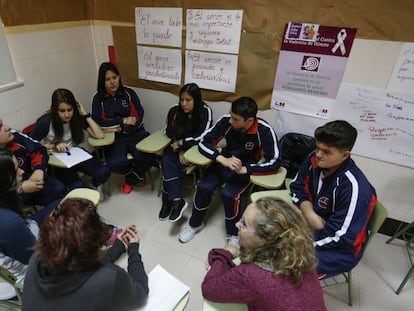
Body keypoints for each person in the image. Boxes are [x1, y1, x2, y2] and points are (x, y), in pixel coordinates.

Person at [178, 96, 281, 246]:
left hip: (244, 167)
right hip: (224, 160)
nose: (231, 121)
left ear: (249, 121)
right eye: (231, 116)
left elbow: (275, 162)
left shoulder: (264, 131)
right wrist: (221, 159)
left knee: (229, 195)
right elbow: (204, 142)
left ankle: (233, 234)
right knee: (203, 187)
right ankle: (194, 224)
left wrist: (247, 169)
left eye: (236, 119)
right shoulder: (227, 121)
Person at [22, 198, 149, 311]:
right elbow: (140, 295)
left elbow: (81, 272)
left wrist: (118, 247)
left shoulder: (37, 258)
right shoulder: (109, 278)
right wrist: (133, 250)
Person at [202, 197, 326, 311]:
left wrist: (225, 253)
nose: (237, 225)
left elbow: (208, 288)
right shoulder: (301, 253)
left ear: (264, 238)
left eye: (243, 224)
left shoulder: (251, 275)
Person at [290, 120, 377, 279]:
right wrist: (308, 211)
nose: (318, 154)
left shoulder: (355, 188)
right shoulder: (315, 159)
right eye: (317, 148)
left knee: (284, 266)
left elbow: (342, 237)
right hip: (314, 225)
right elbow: (297, 186)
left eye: (326, 151)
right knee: (269, 235)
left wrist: (297, 243)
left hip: (339, 251)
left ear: (345, 155)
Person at [30, 88, 111, 196]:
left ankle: (95, 184)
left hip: (74, 153)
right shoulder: (45, 121)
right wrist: (54, 145)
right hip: (57, 161)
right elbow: (30, 146)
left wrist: (85, 114)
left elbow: (99, 135)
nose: (67, 114)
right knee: (78, 186)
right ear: (55, 110)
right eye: (62, 111)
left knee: (104, 171)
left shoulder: (75, 117)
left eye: (70, 109)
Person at [91, 62, 155, 194]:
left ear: (119, 77)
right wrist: (122, 121)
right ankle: (136, 173)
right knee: (115, 163)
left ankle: (131, 179)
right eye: (108, 79)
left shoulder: (129, 93)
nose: (112, 82)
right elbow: (99, 122)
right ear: (102, 82)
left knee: (149, 154)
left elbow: (138, 115)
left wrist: (119, 127)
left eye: (115, 77)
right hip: (115, 138)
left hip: (135, 133)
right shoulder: (98, 99)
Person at [159, 83, 213, 222]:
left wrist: (183, 145)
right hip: (176, 147)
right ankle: (176, 200)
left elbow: (203, 137)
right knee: (166, 161)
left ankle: (169, 201)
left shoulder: (205, 111)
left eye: (188, 100)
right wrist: (179, 150)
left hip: (195, 149)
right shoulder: (175, 111)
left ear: (196, 99)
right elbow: (169, 132)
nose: (184, 104)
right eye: (181, 100)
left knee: (169, 169)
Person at [0, 118, 66, 224]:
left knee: (60, 190)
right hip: (11, 195)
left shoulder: (13, 136)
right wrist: (20, 188)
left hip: (32, 179)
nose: (7, 128)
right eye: (0, 128)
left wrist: (38, 170)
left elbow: (38, 149)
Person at [0, 148, 38, 300]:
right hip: (19, 282)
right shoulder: (8, 223)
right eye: (16, 170)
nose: (22, 172)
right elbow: (38, 260)